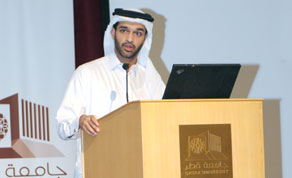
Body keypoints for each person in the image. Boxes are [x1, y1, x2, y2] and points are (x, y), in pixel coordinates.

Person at [56, 8, 165, 178]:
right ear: (113, 32)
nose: (130, 39)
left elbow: (165, 119)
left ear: (145, 39)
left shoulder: (150, 77)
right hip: (98, 170)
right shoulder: (87, 72)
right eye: (124, 30)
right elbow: (62, 125)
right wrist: (80, 121)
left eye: (138, 33)